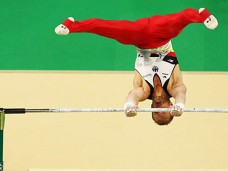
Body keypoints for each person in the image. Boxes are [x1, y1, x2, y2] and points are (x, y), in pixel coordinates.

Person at [55, 7, 218, 125]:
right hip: (162, 36)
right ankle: (201, 14)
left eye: (155, 110)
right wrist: (181, 106)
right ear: (171, 105)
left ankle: (71, 25)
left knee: (108, 28)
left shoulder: (144, 91)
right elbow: (181, 94)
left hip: (139, 39)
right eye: (162, 110)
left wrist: (129, 106)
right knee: (177, 22)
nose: (157, 106)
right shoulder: (175, 87)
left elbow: (133, 95)